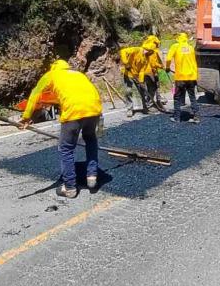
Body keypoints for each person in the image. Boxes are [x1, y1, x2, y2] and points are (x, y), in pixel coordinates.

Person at [20, 60, 103, 198]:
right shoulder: (78, 74)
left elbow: (35, 93)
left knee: (66, 148)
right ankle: (92, 178)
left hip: (73, 113)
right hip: (94, 110)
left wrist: (26, 117)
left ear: (53, 67)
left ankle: (70, 187)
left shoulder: (52, 74)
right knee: (90, 140)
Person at [166, 33, 200, 124]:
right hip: (191, 77)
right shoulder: (190, 48)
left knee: (177, 97)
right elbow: (194, 62)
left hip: (180, 77)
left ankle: (177, 118)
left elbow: (168, 59)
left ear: (178, 39)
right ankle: (196, 117)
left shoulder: (175, 46)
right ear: (186, 39)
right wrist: (196, 76)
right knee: (192, 97)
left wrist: (167, 67)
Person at [119, 43, 156, 117]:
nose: (150, 54)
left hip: (137, 76)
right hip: (128, 73)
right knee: (128, 91)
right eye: (150, 52)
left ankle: (145, 108)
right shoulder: (136, 49)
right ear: (148, 50)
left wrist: (141, 81)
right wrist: (126, 63)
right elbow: (123, 51)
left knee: (143, 91)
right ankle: (129, 109)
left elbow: (142, 70)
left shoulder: (146, 59)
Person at [141, 35, 164, 107]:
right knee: (154, 86)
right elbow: (153, 63)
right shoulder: (152, 50)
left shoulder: (143, 48)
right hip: (150, 71)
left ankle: (155, 99)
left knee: (148, 87)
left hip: (142, 71)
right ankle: (151, 101)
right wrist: (161, 66)